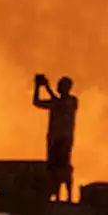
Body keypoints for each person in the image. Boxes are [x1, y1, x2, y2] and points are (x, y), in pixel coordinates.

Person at [33, 74, 78, 203]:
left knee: (64, 167)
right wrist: (37, 87)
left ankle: (69, 197)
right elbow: (37, 102)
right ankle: (57, 196)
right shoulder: (56, 102)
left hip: (64, 138)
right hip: (53, 139)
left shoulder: (72, 101)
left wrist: (47, 87)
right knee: (53, 168)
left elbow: (60, 104)